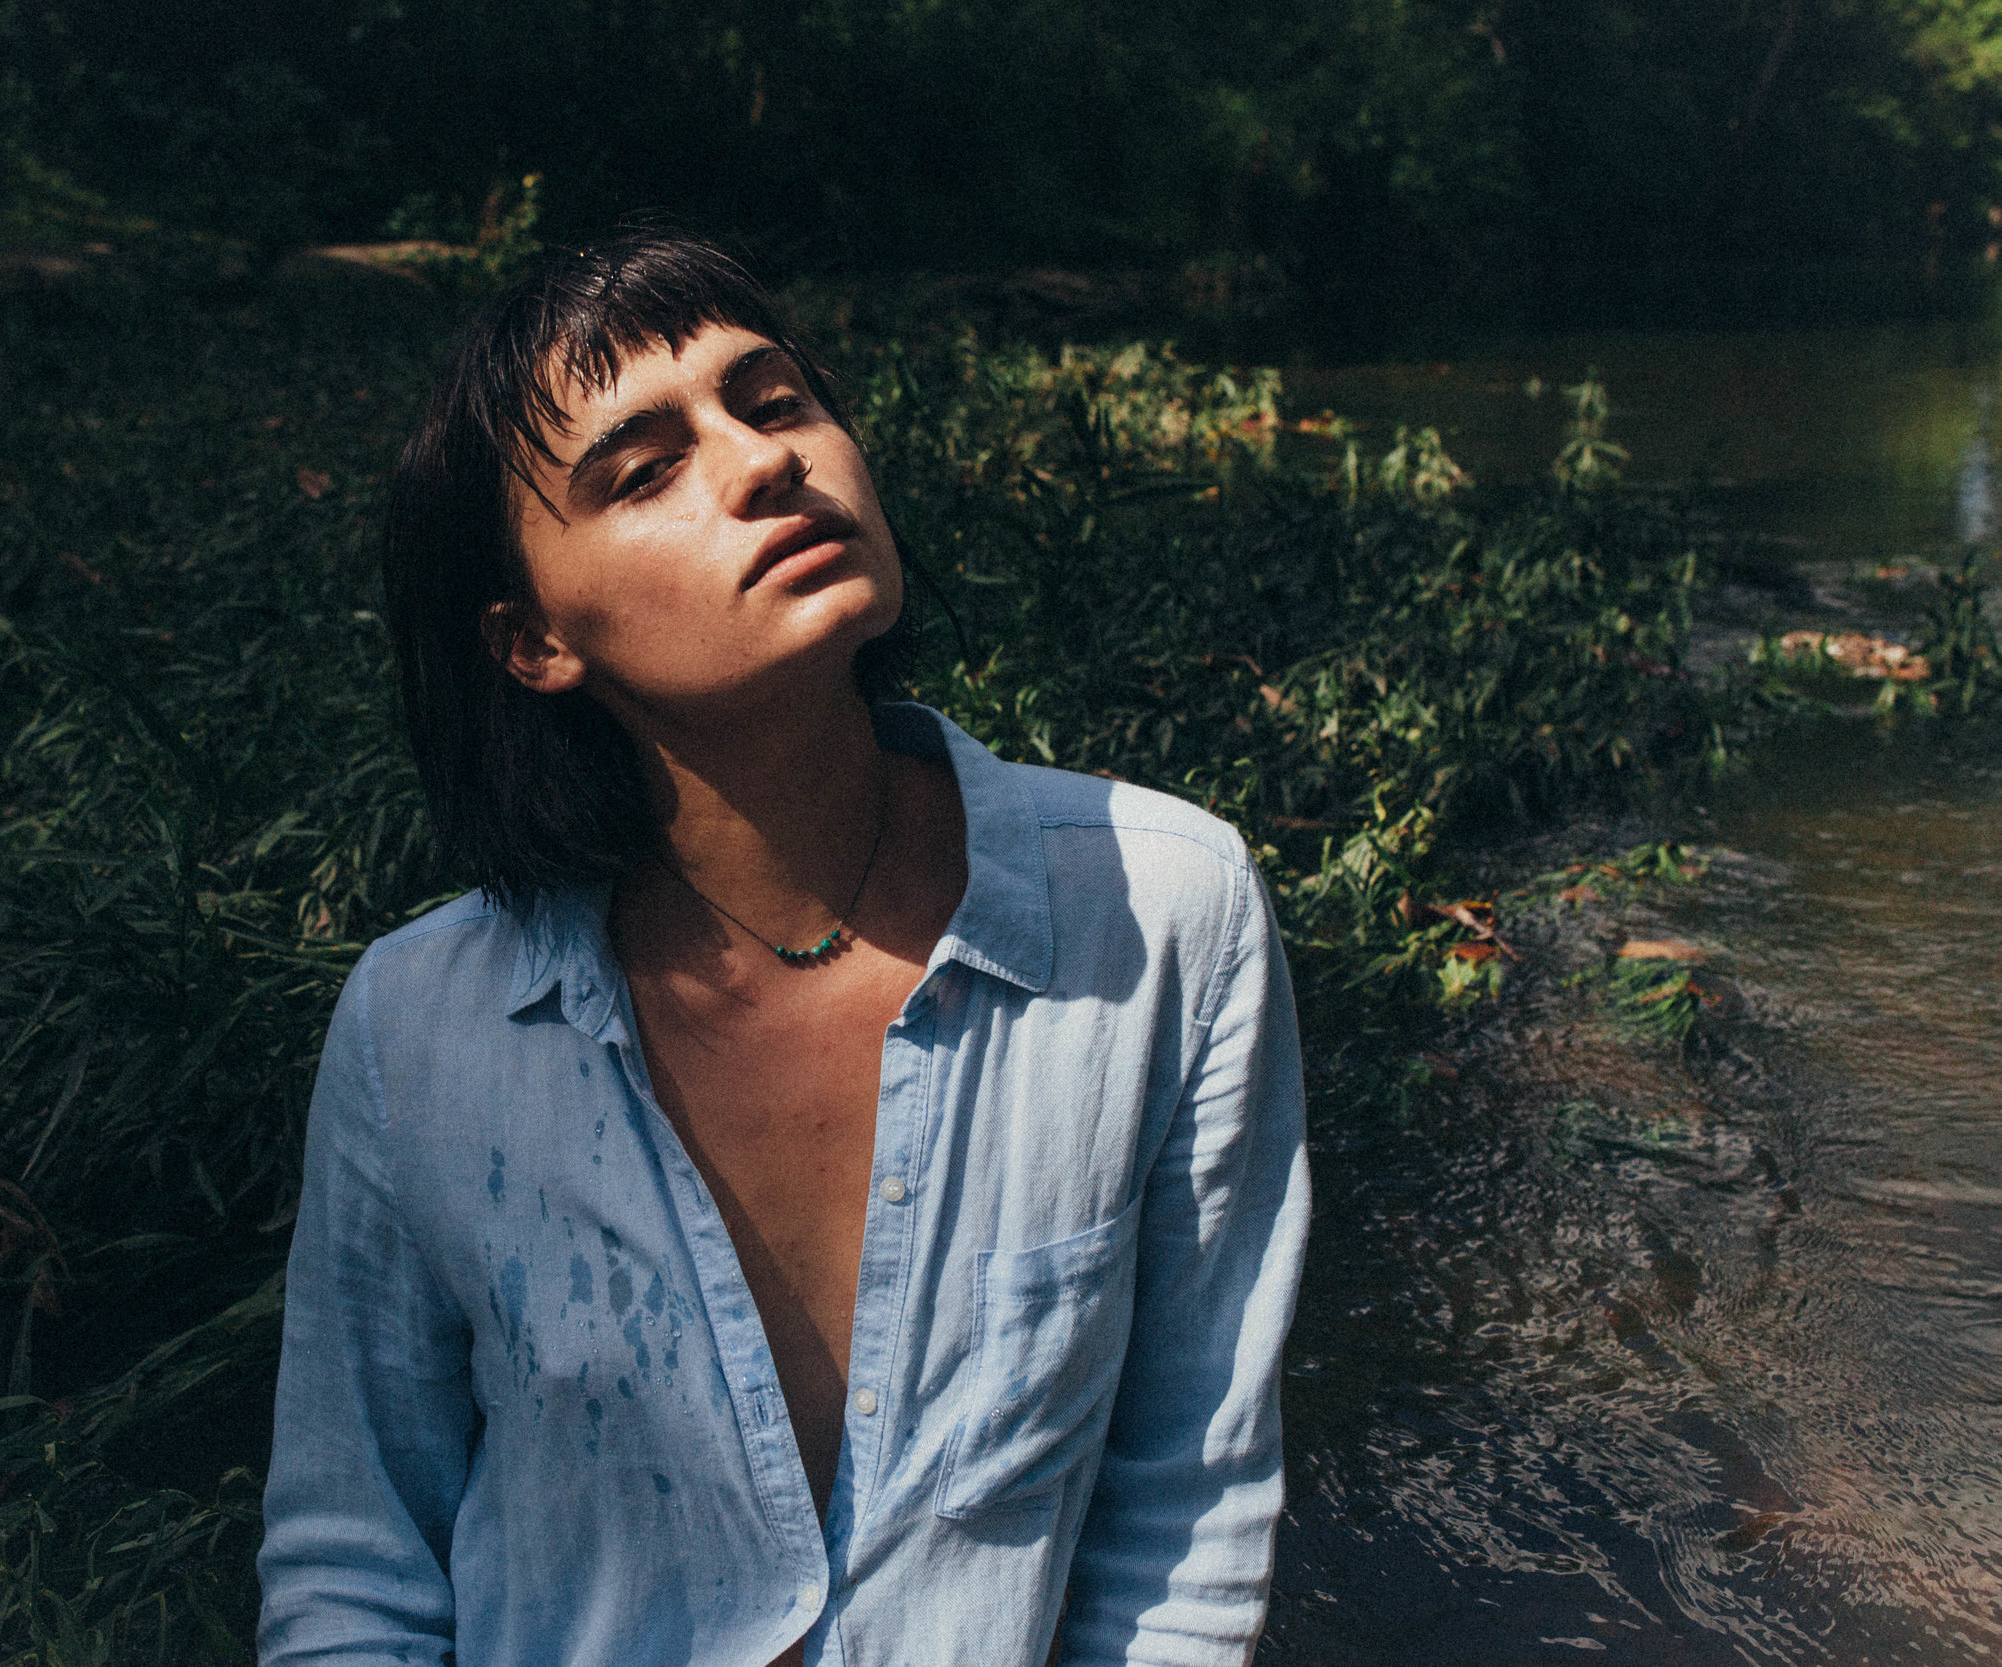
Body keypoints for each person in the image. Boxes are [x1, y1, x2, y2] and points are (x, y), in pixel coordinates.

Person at [256, 229, 1311, 1667]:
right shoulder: (419, 1034)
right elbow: (358, 1559)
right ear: (533, 642)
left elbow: (1185, 1506)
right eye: (643, 471)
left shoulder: (1164, 913)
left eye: (773, 400)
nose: (762, 465)